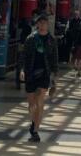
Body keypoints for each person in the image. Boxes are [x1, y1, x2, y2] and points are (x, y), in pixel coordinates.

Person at [21, 13, 58, 143]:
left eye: (44, 23)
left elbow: (54, 59)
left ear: (48, 24)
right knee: (31, 104)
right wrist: (22, 70)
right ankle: (33, 121)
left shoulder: (51, 40)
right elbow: (24, 56)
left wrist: (54, 77)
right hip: (31, 73)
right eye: (40, 23)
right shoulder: (30, 39)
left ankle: (36, 130)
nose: (42, 25)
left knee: (40, 101)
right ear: (37, 24)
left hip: (44, 73)